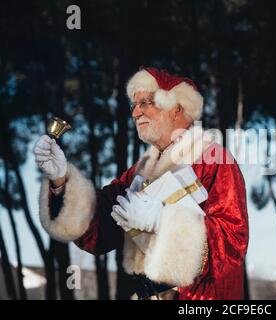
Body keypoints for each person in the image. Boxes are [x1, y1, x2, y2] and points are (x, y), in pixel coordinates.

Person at [34, 67, 249, 300]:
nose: (136, 112)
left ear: (177, 108)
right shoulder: (139, 172)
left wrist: (164, 220)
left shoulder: (214, 159)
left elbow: (233, 243)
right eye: (134, 105)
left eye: (145, 102)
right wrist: (61, 180)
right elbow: (98, 229)